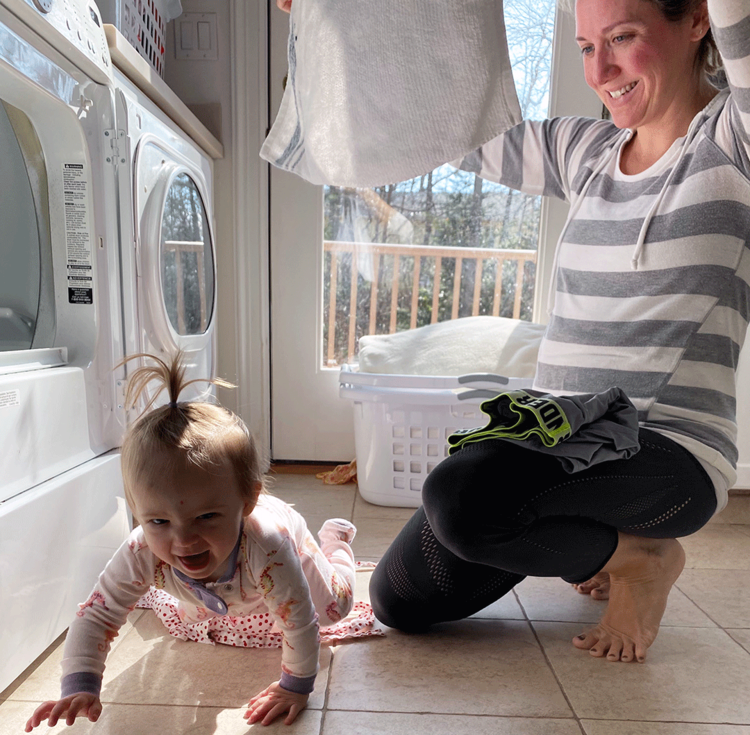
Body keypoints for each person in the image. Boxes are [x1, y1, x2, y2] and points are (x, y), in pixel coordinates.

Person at [369, 0, 750, 665]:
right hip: (562, 438)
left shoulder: (734, 139)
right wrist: (334, 15)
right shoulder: (587, 151)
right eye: (585, 47)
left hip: (668, 451)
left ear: (697, 21)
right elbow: (444, 129)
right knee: (397, 598)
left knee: (462, 498)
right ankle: (607, 543)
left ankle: (643, 561)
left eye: (622, 37)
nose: (599, 72)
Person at [25, 353, 365, 731]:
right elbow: (97, 614)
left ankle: (335, 544)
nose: (184, 539)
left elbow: (299, 621)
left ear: (247, 501)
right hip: (229, 582)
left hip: (287, 550)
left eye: (206, 517)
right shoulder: (141, 550)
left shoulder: (268, 546)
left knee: (333, 610)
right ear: (137, 512)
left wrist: (295, 687)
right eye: (158, 521)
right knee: (194, 615)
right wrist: (80, 684)